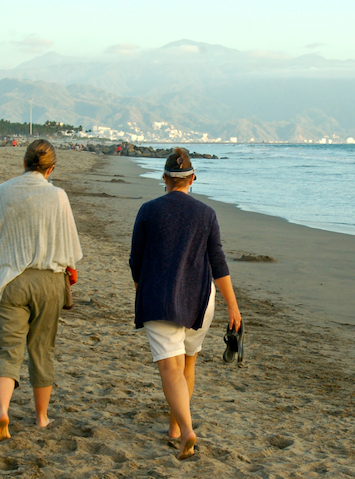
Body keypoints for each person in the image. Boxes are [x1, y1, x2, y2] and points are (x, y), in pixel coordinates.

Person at [129, 147, 241, 460]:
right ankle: (176, 428)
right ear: (192, 179)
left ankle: (187, 430)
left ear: (164, 179)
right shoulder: (206, 214)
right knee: (188, 363)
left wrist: (142, 290)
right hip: (200, 300)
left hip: (161, 299)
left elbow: (136, 261)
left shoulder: (148, 211)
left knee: (169, 366)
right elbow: (218, 262)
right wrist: (233, 306)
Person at [0, 139, 82, 443]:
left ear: (24, 163)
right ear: (50, 169)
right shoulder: (58, 196)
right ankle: (41, 418)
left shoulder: (2, 191)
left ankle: (2, 412)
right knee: (41, 350)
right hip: (47, 282)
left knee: (6, 350)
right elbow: (70, 247)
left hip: (9, 279)